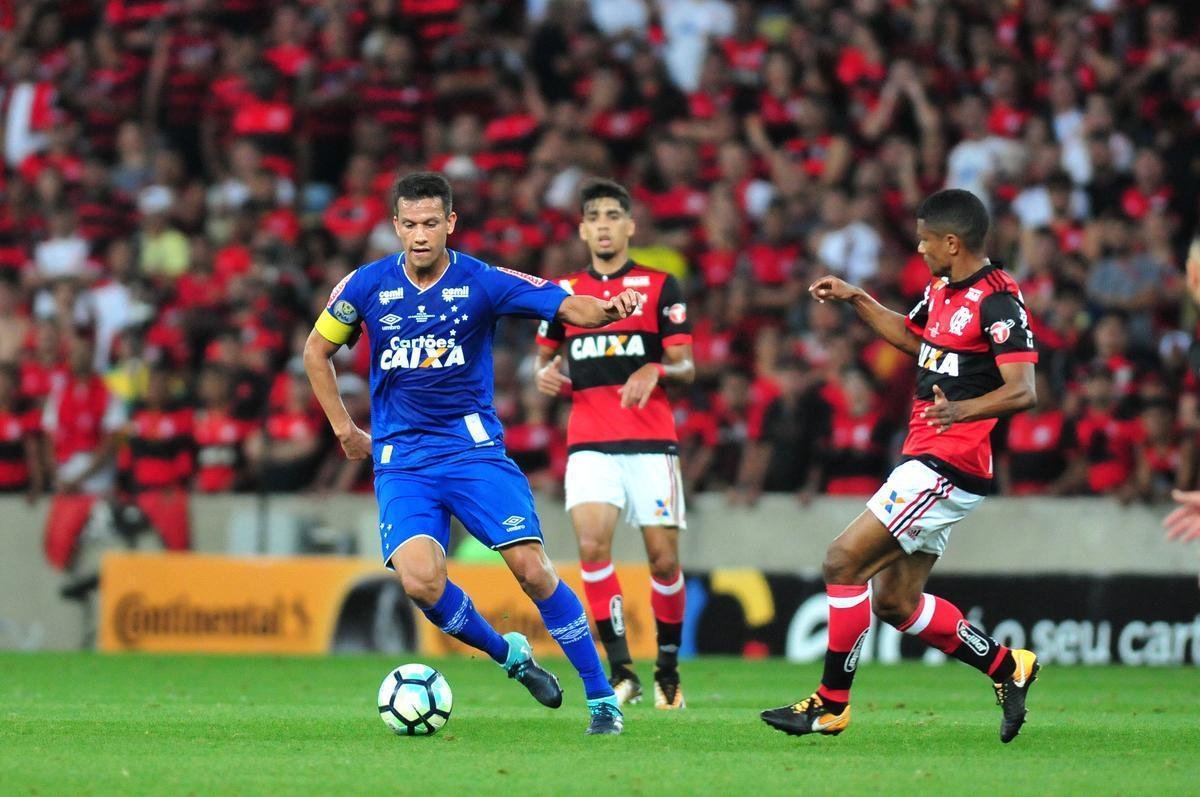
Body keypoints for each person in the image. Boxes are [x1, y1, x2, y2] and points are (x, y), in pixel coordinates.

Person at [303, 171, 642, 735]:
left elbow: (566, 306)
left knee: (532, 571)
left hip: (471, 450)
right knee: (419, 580)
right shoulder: (364, 286)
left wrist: (610, 309)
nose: (419, 235)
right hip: (402, 459)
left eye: (431, 223)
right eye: (409, 225)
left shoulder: (482, 281)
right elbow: (316, 353)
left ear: (450, 223)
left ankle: (601, 697)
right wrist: (345, 429)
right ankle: (510, 656)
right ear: (395, 226)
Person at [761, 189, 1041, 743]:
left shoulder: (999, 302)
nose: (918, 247)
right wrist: (856, 298)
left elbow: (1023, 390)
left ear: (952, 243)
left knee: (842, 562)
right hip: (931, 458)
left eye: (925, 239)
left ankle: (830, 703)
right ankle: (1009, 667)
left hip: (947, 461)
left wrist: (961, 409)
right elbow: (911, 338)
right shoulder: (941, 289)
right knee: (895, 602)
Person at [533, 178, 695, 709]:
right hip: (590, 441)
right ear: (582, 229)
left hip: (651, 442)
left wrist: (655, 367)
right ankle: (621, 669)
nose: (603, 224)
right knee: (591, 548)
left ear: (630, 226)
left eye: (612, 215)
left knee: (664, 561)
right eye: (594, 216)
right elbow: (543, 361)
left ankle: (667, 667)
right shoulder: (563, 293)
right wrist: (545, 376)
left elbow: (686, 364)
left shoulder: (659, 285)